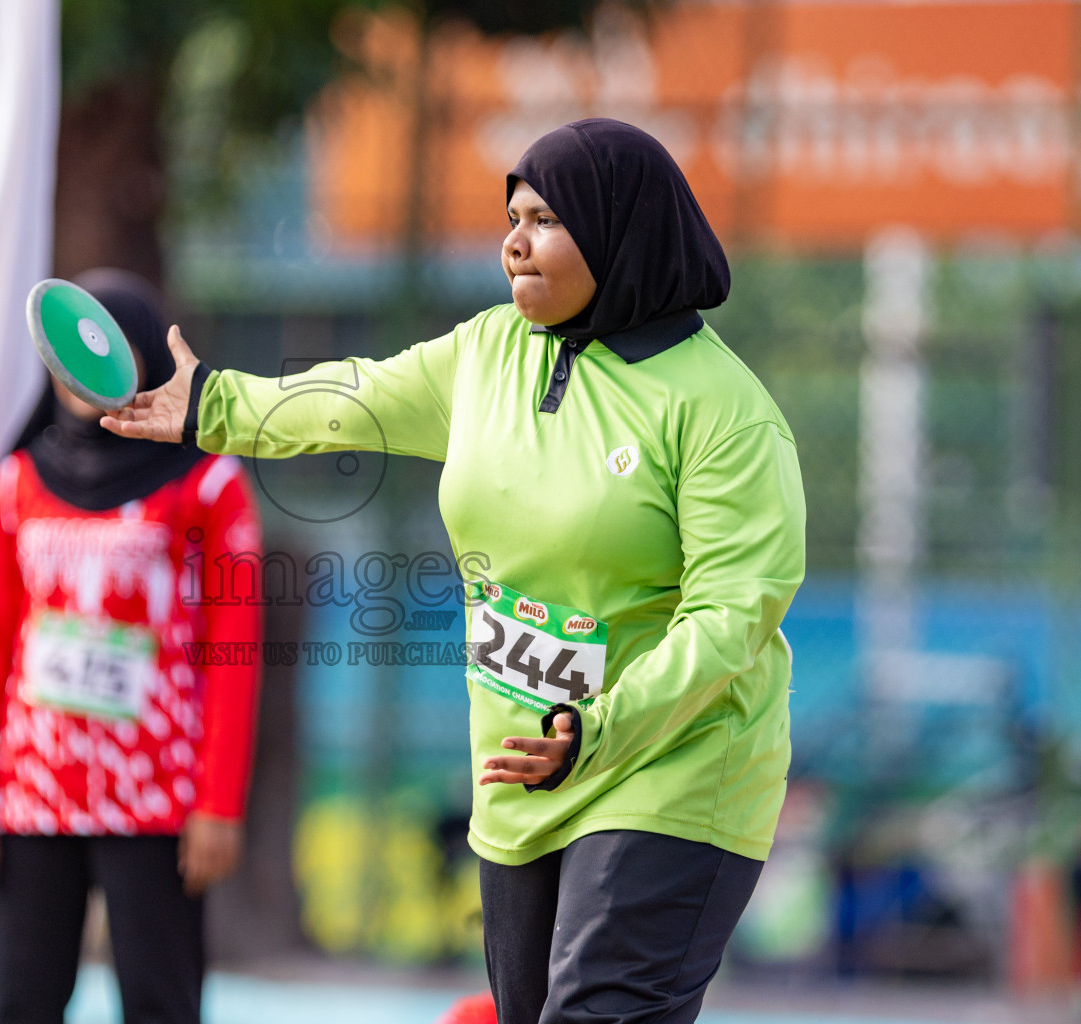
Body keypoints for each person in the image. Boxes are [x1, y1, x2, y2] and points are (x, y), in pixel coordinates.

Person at [103, 119, 807, 1024]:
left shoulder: (724, 414)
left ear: (619, 230)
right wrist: (213, 404)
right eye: (510, 216)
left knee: (597, 1011)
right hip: (521, 764)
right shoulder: (486, 354)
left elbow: (730, 615)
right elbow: (351, 398)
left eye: (546, 218)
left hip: (673, 766)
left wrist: (595, 726)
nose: (513, 241)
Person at [0, 269, 263, 1024]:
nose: (82, 376)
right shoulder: (16, 481)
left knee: (160, 1000)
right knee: (22, 999)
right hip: (33, 794)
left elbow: (235, 652)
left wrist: (218, 803)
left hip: (159, 801)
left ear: (145, 360)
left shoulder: (209, 482)